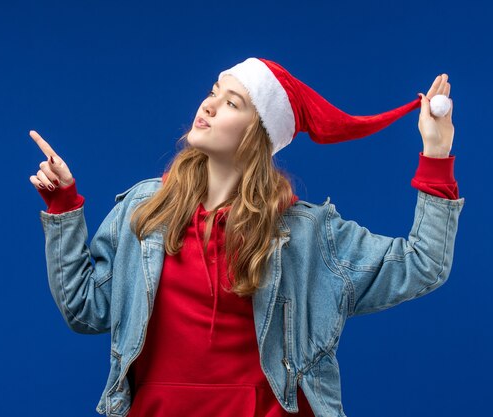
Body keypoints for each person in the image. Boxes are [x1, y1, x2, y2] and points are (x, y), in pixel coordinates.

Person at [29, 57, 464, 417]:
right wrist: (63, 206)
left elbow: (424, 263)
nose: (209, 105)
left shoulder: (305, 233)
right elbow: (84, 309)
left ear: (259, 135)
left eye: (232, 102)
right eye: (214, 91)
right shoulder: (146, 208)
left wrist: (436, 153)